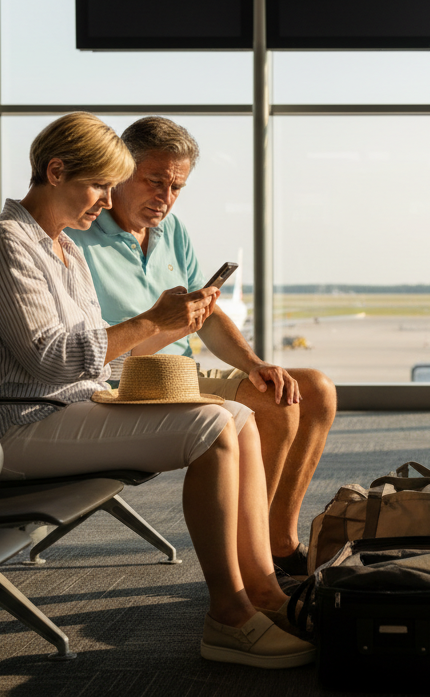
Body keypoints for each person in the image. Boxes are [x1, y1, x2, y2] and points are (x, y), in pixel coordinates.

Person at [0, 111, 312, 668]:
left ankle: (260, 590)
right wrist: (152, 322)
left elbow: (80, 356)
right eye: (99, 184)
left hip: (65, 406)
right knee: (214, 423)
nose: (105, 199)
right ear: (55, 171)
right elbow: (49, 359)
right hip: (16, 427)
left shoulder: (61, 248)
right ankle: (228, 617)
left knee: (236, 415)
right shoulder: (7, 244)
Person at [67, 116, 335, 578]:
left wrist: (253, 363)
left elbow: (206, 315)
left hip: (183, 375)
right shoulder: (77, 237)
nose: (165, 199)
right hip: (130, 382)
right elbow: (94, 351)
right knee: (277, 407)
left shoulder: (173, 232)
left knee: (314, 389)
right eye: (155, 183)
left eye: (176, 188)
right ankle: (252, 564)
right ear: (120, 170)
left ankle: (278, 540)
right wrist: (165, 322)